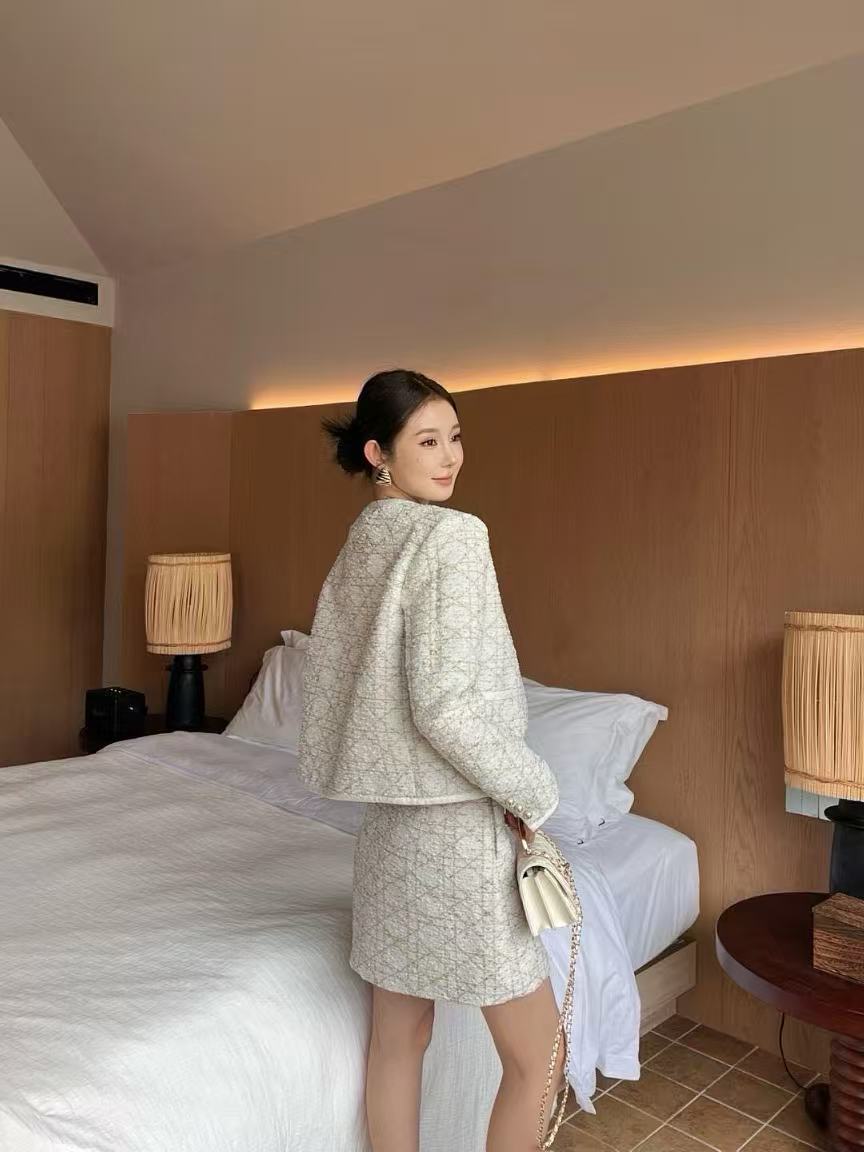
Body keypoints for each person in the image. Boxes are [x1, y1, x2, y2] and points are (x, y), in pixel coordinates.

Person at [297, 369, 568, 1152]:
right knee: (540, 1054)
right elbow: (445, 707)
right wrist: (533, 790)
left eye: (454, 437)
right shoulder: (452, 537)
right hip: (456, 836)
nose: (450, 457)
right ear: (378, 453)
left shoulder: (362, 545)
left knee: (397, 1039)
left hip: (387, 835)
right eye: (427, 441)